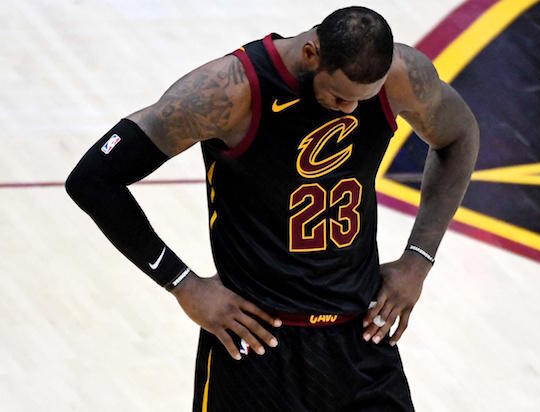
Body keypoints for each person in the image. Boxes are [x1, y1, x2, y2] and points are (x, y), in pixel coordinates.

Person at [66, 6, 478, 411]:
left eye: (362, 99)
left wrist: (418, 259)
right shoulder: (229, 91)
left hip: (361, 338)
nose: (350, 109)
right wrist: (183, 284)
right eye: (339, 96)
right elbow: (94, 178)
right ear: (312, 54)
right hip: (256, 343)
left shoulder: (402, 77)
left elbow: (459, 135)